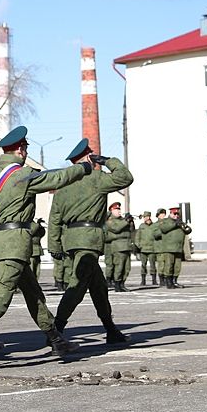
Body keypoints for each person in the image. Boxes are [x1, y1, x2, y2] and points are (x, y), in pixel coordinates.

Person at [0, 126, 88, 371]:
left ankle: (55, 339)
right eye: (26, 148)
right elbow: (57, 178)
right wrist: (82, 168)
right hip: (15, 241)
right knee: (1, 295)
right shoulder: (23, 174)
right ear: (20, 149)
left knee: (33, 293)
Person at [49, 138, 134, 343]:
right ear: (88, 157)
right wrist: (107, 161)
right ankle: (55, 330)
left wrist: (54, 246)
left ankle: (110, 329)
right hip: (89, 240)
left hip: (71, 240)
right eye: (92, 154)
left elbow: (55, 218)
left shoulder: (64, 184)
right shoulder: (96, 178)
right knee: (77, 286)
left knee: (98, 286)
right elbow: (125, 177)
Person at [104, 202, 132, 292]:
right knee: (119, 266)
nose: (119, 211)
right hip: (118, 246)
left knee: (127, 267)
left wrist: (131, 221)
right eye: (116, 209)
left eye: (119, 209)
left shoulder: (122, 220)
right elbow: (116, 229)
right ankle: (117, 284)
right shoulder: (110, 221)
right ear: (111, 211)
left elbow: (131, 231)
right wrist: (126, 221)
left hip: (126, 245)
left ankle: (122, 283)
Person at [134, 212, 156, 286]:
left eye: (148, 216)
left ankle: (154, 280)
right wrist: (139, 245)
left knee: (153, 265)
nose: (147, 218)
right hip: (143, 249)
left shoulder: (154, 226)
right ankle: (143, 280)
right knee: (143, 265)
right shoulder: (141, 226)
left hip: (152, 249)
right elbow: (137, 237)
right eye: (145, 217)